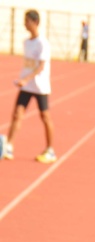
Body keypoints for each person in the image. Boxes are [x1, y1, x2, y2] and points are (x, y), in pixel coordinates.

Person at [0, 9, 56, 164]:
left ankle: (50, 149)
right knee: (17, 114)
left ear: (35, 22)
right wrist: (23, 80)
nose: (24, 24)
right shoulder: (26, 42)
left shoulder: (42, 43)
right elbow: (28, 65)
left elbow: (41, 66)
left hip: (40, 86)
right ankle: (9, 146)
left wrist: (26, 79)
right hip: (26, 86)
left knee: (45, 117)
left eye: (27, 21)